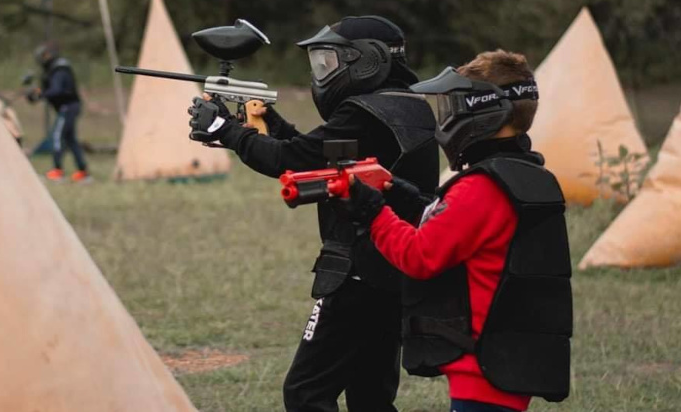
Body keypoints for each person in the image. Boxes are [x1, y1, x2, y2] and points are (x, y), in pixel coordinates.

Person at [188, 16, 439, 412]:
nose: (322, 74)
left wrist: (227, 129)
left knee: (306, 392)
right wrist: (270, 125)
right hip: (394, 270)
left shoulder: (365, 111)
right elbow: (319, 156)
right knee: (370, 396)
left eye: (329, 62)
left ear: (368, 61)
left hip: (358, 273)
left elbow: (290, 160)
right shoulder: (409, 105)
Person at [338, 50, 573, 412]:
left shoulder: (481, 187)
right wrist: (414, 201)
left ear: (481, 112)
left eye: (455, 107)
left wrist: (372, 211)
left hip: (483, 371)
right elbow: (467, 235)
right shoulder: (527, 177)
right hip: (508, 359)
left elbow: (419, 256)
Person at [27, 42, 90, 183]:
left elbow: (57, 90)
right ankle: (82, 171)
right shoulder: (57, 69)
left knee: (57, 136)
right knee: (71, 140)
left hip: (68, 107)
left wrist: (41, 94)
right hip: (69, 107)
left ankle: (57, 170)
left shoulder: (59, 70)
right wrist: (38, 93)